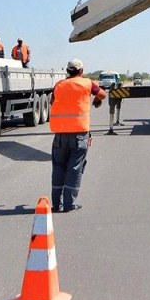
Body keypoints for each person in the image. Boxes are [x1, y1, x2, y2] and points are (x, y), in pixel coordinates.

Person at [49, 58, 106, 212]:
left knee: (59, 167)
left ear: (68, 71)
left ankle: (56, 204)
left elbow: (52, 101)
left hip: (60, 135)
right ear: (81, 71)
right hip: (80, 135)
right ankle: (69, 204)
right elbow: (102, 94)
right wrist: (96, 100)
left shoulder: (59, 85)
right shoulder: (87, 83)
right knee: (74, 168)